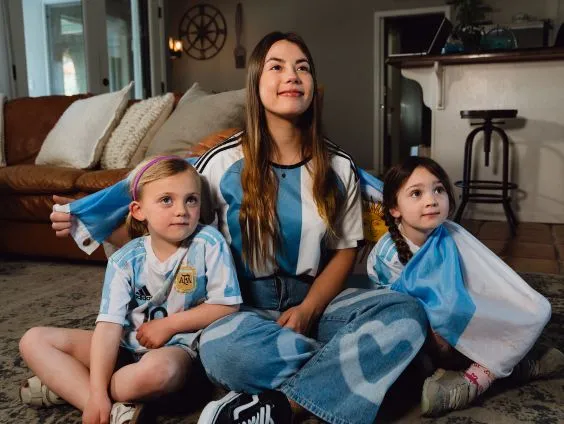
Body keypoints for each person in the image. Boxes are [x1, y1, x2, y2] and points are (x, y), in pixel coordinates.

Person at [49, 32, 429, 424]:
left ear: (314, 87)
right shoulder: (218, 162)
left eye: (303, 68)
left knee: (405, 313)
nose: (292, 75)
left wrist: (308, 310)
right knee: (224, 354)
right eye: (277, 67)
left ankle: (284, 406)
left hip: (318, 301)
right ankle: (365, 368)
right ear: (255, 84)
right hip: (241, 310)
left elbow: (345, 250)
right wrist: (89, 212)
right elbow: (164, 213)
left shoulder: (338, 166)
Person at [20, 156, 242, 424]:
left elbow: (226, 304)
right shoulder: (125, 260)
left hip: (178, 349)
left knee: (158, 373)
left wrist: (168, 326)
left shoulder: (208, 243)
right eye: (166, 200)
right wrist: (98, 393)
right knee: (33, 340)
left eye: (191, 199)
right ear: (138, 210)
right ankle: (105, 406)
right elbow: (110, 325)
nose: (181, 210)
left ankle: (68, 385)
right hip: (127, 345)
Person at [367, 156, 563, 417]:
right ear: (394, 208)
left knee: (530, 308)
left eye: (438, 189)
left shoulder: (451, 232)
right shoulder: (388, 256)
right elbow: (400, 311)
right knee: (427, 350)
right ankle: (495, 372)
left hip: (458, 311)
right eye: (416, 193)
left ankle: (501, 362)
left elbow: (483, 278)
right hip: (426, 331)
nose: (431, 200)